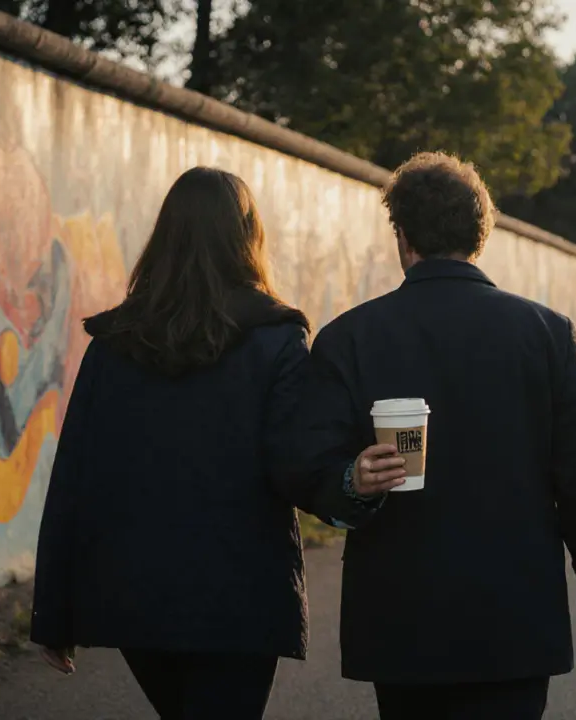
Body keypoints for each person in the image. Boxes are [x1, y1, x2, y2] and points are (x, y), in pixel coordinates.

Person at [29, 167, 399, 720]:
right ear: (247, 238)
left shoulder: (113, 344)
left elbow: (74, 479)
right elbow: (295, 462)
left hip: (135, 596)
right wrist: (350, 487)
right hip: (240, 597)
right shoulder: (275, 338)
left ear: (166, 236)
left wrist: (53, 615)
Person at [297, 152, 576, 719]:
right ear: (481, 236)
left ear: (402, 237)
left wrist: (351, 482)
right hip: (514, 621)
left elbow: (306, 466)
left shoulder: (347, 338)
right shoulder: (547, 335)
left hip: (400, 623)